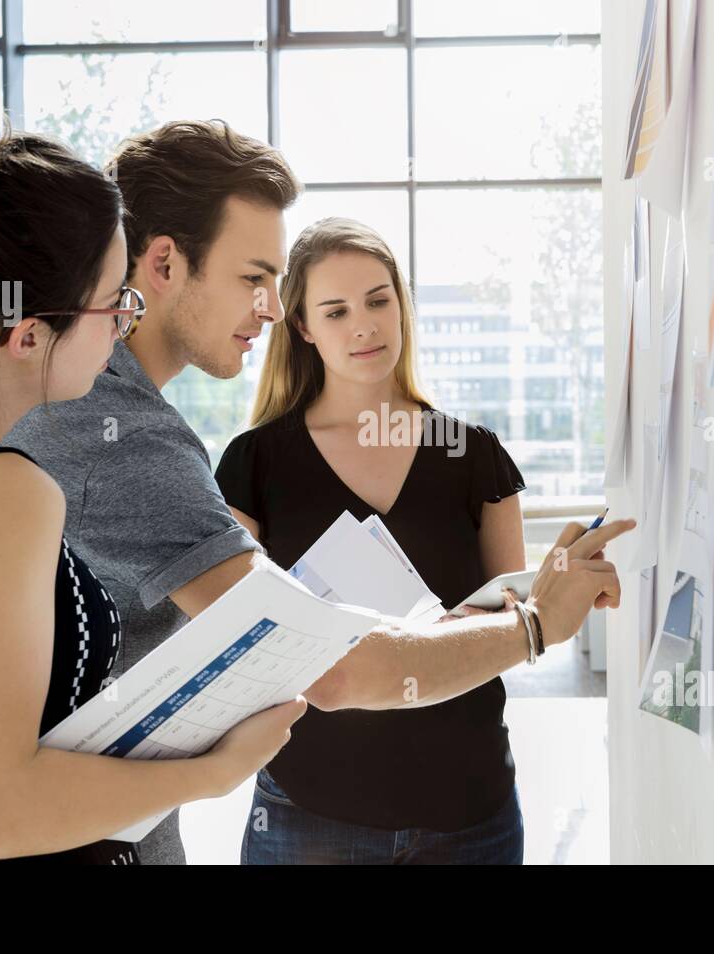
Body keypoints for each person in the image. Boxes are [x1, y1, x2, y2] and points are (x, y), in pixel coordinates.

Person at [5, 119, 634, 866]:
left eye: (377, 300)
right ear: (166, 263)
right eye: (254, 278)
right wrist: (536, 626)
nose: (268, 309)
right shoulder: (135, 438)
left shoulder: (64, 407)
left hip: (453, 801)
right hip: (195, 826)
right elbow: (328, 670)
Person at [0, 103, 304, 865]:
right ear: (28, 333)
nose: (123, 325)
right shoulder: (2, 491)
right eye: (113, 303)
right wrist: (212, 773)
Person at [216, 217, 535, 863]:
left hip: (470, 811)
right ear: (303, 327)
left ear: (401, 306)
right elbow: (236, 639)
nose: (363, 324)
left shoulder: (472, 453)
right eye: (335, 311)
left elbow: (517, 626)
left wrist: (482, 624)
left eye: (378, 300)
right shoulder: (255, 463)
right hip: (310, 813)